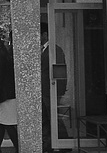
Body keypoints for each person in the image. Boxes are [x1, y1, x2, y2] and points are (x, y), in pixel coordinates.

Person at [41, 22, 67, 152]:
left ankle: (64, 143)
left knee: (55, 118)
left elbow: (60, 71)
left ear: (45, 35)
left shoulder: (54, 50)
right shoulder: (43, 50)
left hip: (51, 90)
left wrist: (59, 91)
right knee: (46, 118)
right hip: (44, 91)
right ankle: (48, 143)